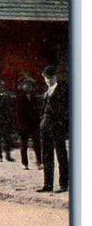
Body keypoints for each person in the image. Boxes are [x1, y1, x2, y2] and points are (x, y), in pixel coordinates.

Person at [37, 65, 69, 193]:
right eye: (46, 78)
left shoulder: (62, 90)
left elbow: (66, 111)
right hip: (46, 128)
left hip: (57, 127)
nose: (47, 80)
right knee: (46, 156)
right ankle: (48, 184)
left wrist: (63, 126)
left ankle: (63, 184)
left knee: (61, 155)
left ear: (55, 77)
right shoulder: (47, 91)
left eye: (49, 78)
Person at [14, 74, 42, 170]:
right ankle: (24, 163)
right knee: (23, 145)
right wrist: (20, 125)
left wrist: (37, 122)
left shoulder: (34, 98)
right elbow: (17, 113)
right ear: (22, 86)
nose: (28, 86)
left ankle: (39, 162)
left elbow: (37, 111)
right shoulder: (19, 98)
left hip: (34, 124)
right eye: (25, 84)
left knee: (37, 143)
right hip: (23, 125)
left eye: (30, 85)